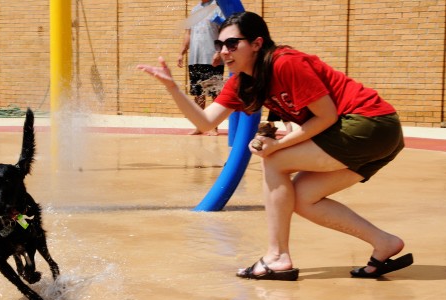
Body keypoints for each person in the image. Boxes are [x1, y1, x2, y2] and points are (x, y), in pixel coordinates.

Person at [138, 11, 413, 280]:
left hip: (369, 123)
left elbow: (326, 115)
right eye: (219, 44)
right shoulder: (241, 82)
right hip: (373, 136)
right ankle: (384, 242)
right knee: (304, 199)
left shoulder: (285, 63)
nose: (224, 51)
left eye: (232, 43)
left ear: (257, 44)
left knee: (275, 160)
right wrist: (172, 88)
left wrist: (276, 147)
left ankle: (277, 256)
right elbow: (206, 121)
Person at [177, 0, 225, 136]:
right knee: (198, 94)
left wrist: (218, 52)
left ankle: (214, 127)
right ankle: (200, 126)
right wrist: (181, 52)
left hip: (212, 59)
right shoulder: (194, 10)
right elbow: (188, 33)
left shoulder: (218, 6)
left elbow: (223, 32)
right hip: (195, 58)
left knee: (214, 93)